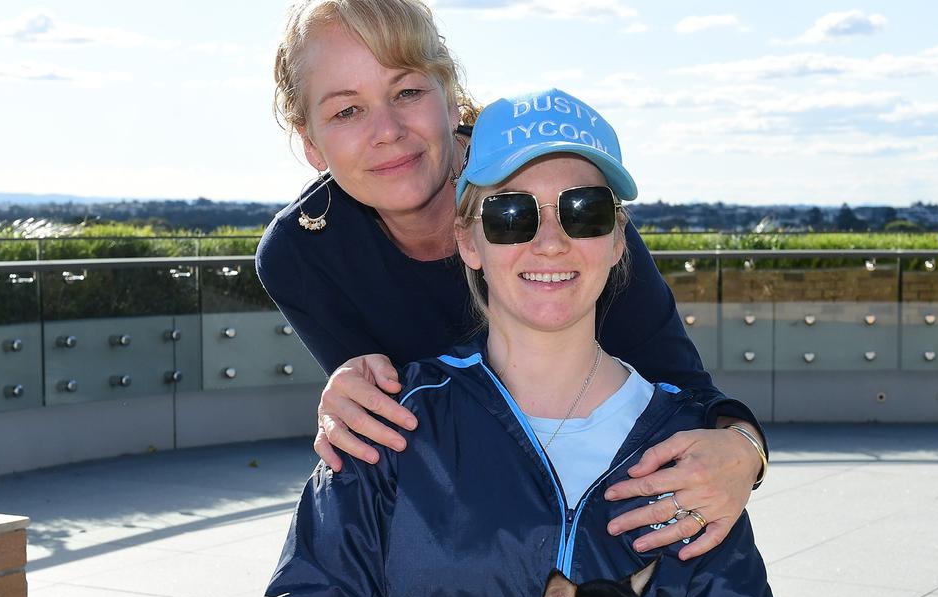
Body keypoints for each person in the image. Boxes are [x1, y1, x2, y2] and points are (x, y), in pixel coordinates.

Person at [255, 87, 797, 597]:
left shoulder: (690, 454)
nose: (550, 241)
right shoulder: (390, 429)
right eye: (510, 215)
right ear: (467, 241)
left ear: (620, 238)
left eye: (585, 212)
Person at [257, 0, 769, 561]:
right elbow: (390, 438)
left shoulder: (557, 202)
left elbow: (685, 389)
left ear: (450, 97)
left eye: (406, 92)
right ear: (310, 142)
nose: (387, 131)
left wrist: (746, 451)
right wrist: (348, 393)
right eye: (347, 111)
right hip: (462, 549)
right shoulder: (302, 256)